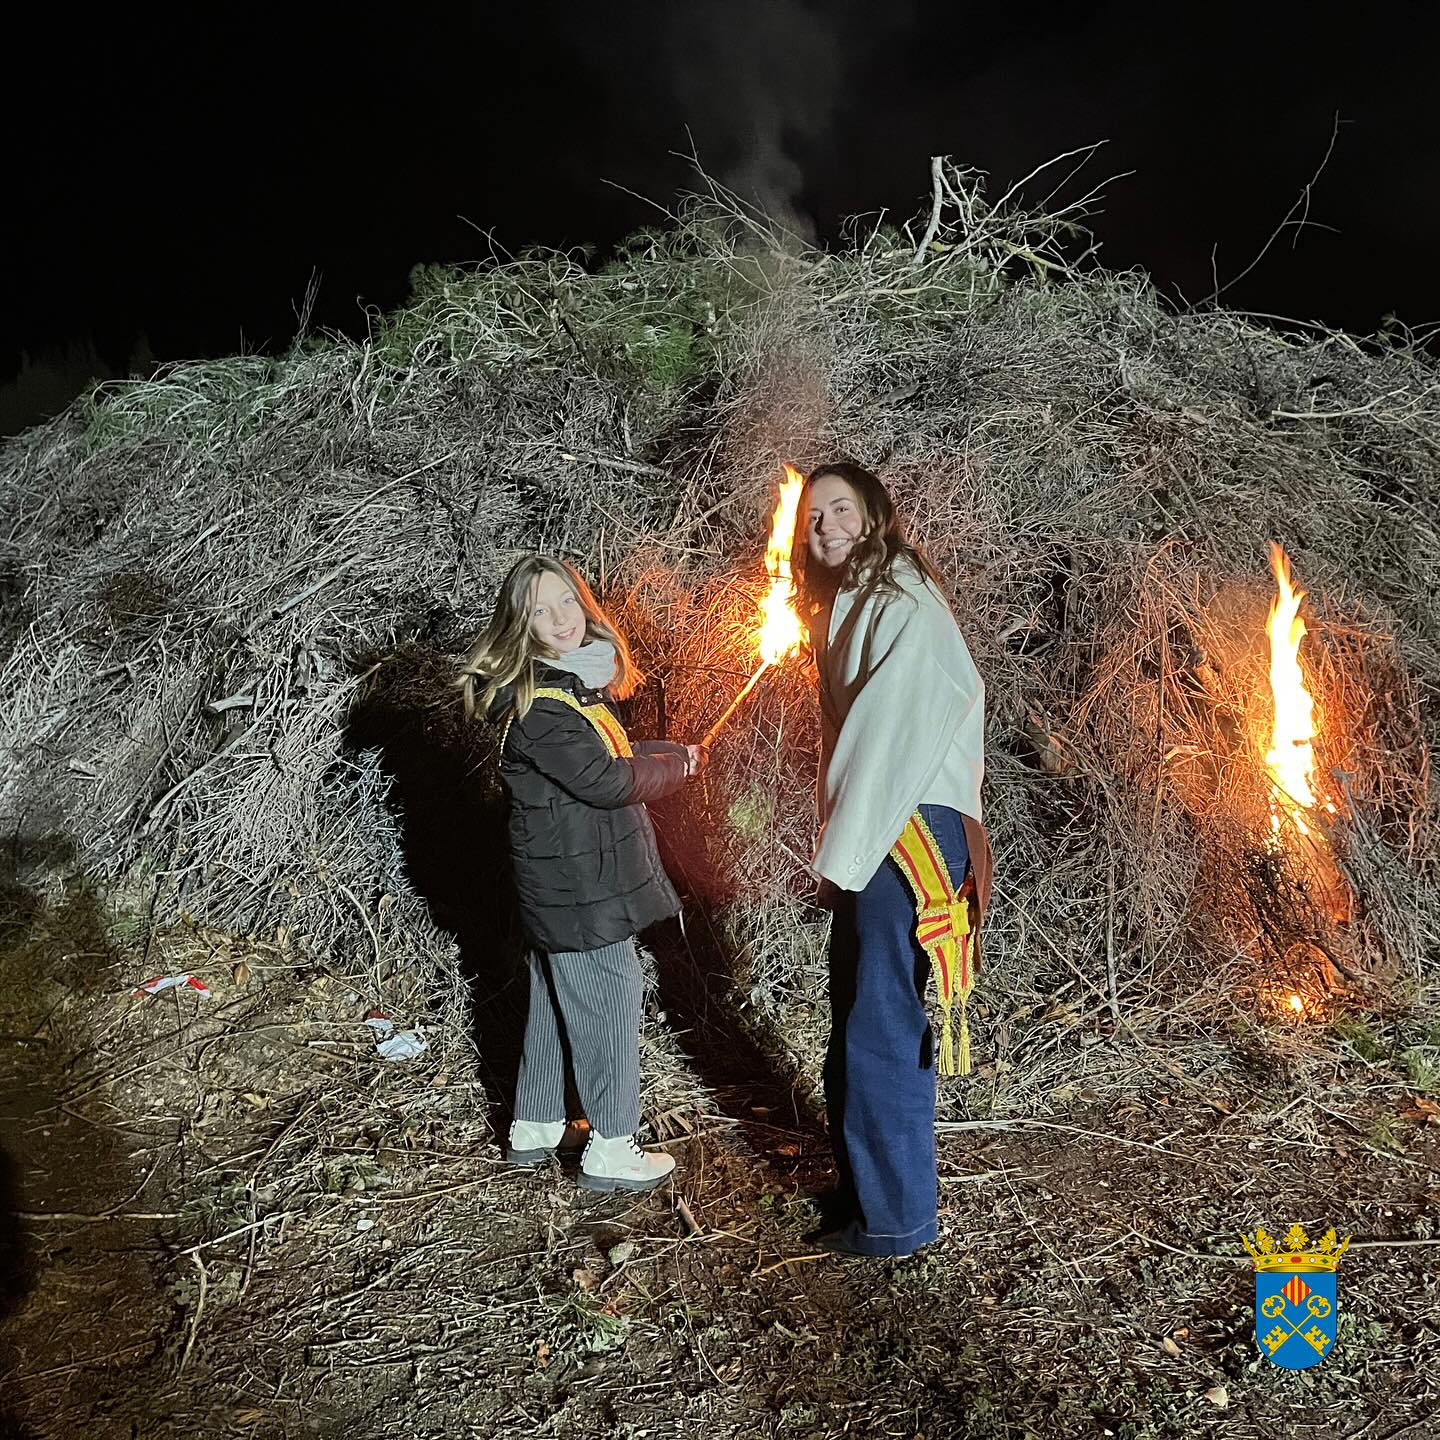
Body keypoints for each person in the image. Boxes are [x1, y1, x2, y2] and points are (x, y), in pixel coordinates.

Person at [458, 555, 705, 1192]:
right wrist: (677, 771)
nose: (561, 619)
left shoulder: (569, 691)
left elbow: (611, 758)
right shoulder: (541, 705)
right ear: (521, 626)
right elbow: (603, 781)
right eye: (540, 610)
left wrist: (672, 754)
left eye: (566, 601)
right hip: (578, 891)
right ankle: (612, 1146)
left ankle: (536, 1126)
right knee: (610, 997)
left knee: (553, 999)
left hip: (572, 885)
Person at [797, 461, 993, 1258]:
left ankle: (895, 1222)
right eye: (811, 519)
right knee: (861, 1015)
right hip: (884, 826)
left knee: (881, 1023)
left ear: (874, 513)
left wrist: (839, 852)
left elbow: (885, 736)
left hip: (902, 831)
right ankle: (867, 1192)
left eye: (838, 508)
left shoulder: (901, 598)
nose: (824, 526)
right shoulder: (859, 601)